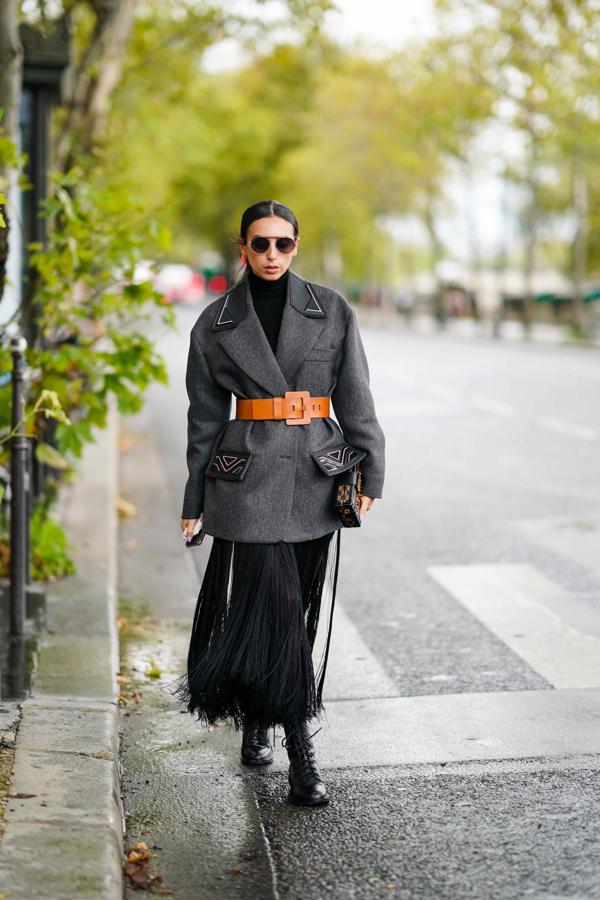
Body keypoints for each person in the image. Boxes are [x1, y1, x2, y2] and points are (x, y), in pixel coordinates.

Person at [172, 200, 385, 806]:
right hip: (247, 484)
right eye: (260, 244)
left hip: (317, 479)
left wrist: (371, 471)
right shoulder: (213, 324)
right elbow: (204, 420)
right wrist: (194, 499)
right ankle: (301, 753)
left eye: (282, 245)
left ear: (296, 246)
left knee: (301, 610)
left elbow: (357, 399)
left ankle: (261, 718)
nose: (271, 255)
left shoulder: (333, 310)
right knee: (278, 611)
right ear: (242, 247)